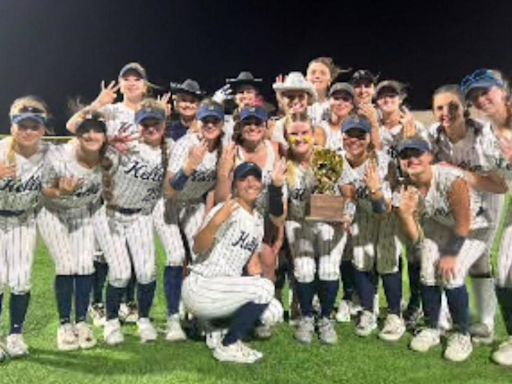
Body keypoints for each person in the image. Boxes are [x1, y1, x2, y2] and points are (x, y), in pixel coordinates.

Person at [396, 137, 498, 362]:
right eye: (405, 155)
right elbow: (417, 240)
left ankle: (462, 334)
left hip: (475, 226)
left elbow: (464, 223)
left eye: (417, 153)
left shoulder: (450, 179)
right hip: (443, 222)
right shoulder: (407, 185)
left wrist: (451, 255)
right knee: (427, 269)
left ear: (429, 156)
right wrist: (405, 214)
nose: (411, 159)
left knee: (452, 273)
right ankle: (432, 328)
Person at [182, 161, 285, 364]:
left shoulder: (256, 220)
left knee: (274, 311)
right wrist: (217, 220)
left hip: (222, 291)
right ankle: (228, 345)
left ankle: (213, 326)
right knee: (264, 288)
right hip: (202, 284)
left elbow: (253, 264)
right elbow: (197, 248)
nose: (250, 183)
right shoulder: (226, 209)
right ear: (235, 185)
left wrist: (258, 292)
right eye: (243, 179)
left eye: (255, 178)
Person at [428, 84, 507, 344]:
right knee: (458, 260)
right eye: (439, 107)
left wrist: (456, 172)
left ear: (464, 108)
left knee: (471, 262)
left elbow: (500, 185)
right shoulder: (434, 135)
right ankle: (451, 319)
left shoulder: (484, 134)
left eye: (453, 106)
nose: (446, 112)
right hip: (456, 210)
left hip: (486, 207)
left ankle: (481, 324)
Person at [38, 108, 109, 351]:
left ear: (105, 136)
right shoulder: (59, 157)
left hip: (81, 213)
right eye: (85, 131)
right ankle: (64, 325)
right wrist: (61, 191)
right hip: (52, 213)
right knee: (67, 266)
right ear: (76, 135)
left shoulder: (108, 159)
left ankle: (82, 322)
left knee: (86, 266)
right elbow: (44, 190)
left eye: (97, 131)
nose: (91, 135)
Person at [461, 68, 512, 365]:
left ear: (502, 90)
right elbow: (499, 184)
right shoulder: (486, 137)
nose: (480, 100)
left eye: (485, 92)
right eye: (475, 97)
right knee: (505, 267)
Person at [338, 117, 404, 340]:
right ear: (343, 136)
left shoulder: (383, 162)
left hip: (387, 213)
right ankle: (368, 310)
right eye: (350, 135)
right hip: (362, 213)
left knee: (387, 262)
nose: (354, 140)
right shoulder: (339, 162)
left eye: (360, 135)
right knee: (362, 260)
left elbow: (384, 207)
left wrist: (375, 192)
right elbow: (349, 195)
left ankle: (395, 314)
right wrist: (346, 216)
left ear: (369, 138)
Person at [284, 113, 346, 344]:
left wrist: (346, 215)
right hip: (298, 221)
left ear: (313, 135)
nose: (300, 138)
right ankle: (307, 317)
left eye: (304, 133)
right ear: (286, 136)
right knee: (304, 270)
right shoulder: (283, 163)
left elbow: (348, 191)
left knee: (329, 270)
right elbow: (281, 204)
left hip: (330, 221)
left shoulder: (329, 157)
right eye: (294, 134)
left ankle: (326, 318)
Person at [0, 96, 50, 361]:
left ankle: (16, 334)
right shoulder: (0, 150)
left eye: (34, 126)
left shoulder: (49, 154)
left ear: (42, 129)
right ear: (13, 127)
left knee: (20, 281)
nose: (28, 131)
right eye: (23, 125)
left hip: (24, 221)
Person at [306, 57, 347, 126]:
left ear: (330, 80)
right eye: (313, 73)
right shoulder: (298, 105)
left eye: (323, 73)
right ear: (306, 78)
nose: (317, 76)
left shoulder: (337, 106)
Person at [318, 82, 355, 154]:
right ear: (328, 101)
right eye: (336, 98)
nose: (340, 103)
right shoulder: (320, 127)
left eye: (345, 99)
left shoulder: (356, 129)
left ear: (352, 105)